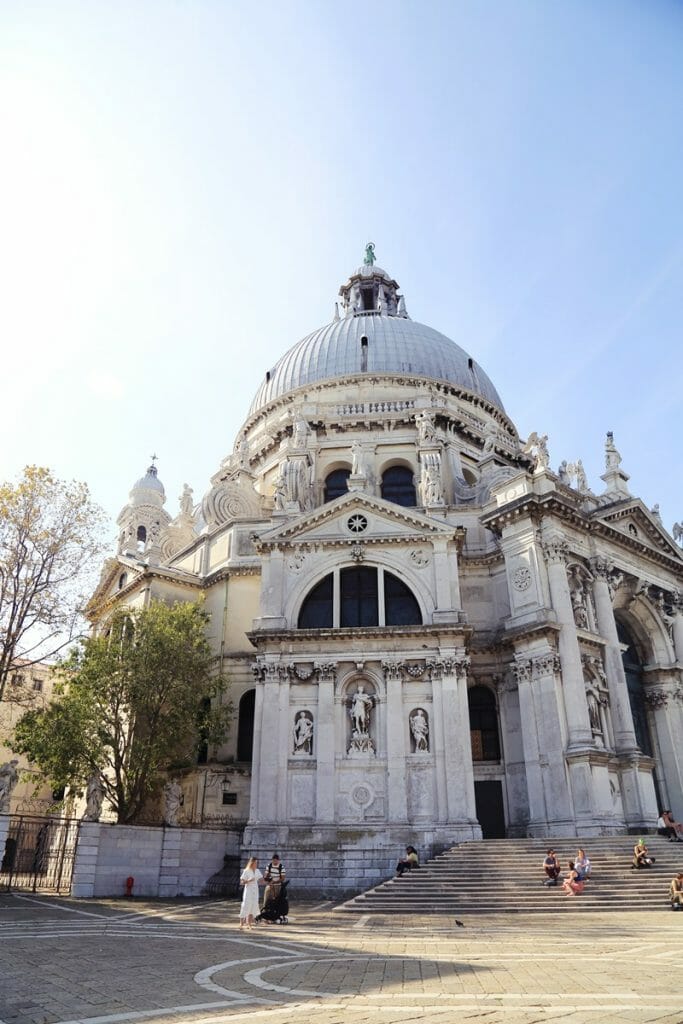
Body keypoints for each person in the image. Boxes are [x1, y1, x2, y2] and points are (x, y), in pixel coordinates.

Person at [239, 856, 264, 929]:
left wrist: (268, 880)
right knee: (246, 905)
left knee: (253, 906)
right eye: (255, 862)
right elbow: (241, 882)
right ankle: (241, 923)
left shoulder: (257, 871)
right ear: (252, 863)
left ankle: (249, 924)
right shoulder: (246, 871)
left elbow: (261, 880)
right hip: (248, 891)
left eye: (257, 863)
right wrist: (249, 880)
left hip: (255, 891)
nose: (256, 864)